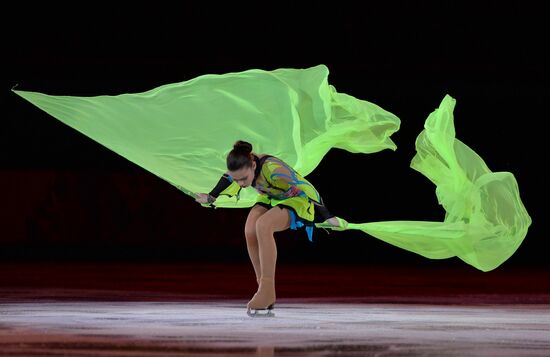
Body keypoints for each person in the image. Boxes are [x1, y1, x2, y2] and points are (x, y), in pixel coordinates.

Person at [195, 140, 344, 317]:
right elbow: (229, 177)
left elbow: (307, 187)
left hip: (296, 200)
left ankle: (266, 289)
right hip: (271, 197)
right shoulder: (242, 164)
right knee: (250, 229)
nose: (242, 184)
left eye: (244, 179)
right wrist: (211, 197)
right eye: (238, 180)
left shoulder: (274, 170)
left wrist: (328, 216)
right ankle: (264, 290)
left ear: (252, 165)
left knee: (263, 225)